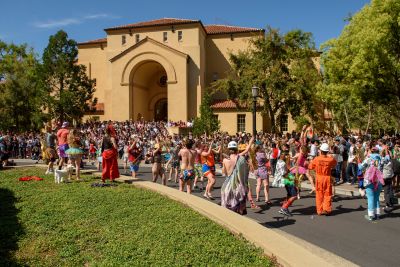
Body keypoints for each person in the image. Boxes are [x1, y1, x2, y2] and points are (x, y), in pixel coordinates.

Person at [221, 137, 254, 215]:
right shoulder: (239, 157)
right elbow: (246, 150)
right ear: (236, 149)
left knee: (228, 209)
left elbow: (224, 172)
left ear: (229, 149)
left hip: (227, 185)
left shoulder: (225, 160)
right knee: (238, 208)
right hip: (238, 186)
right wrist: (250, 142)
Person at [308, 143, 337, 215]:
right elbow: (335, 164)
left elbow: (310, 167)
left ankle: (320, 210)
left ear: (320, 151)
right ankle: (327, 209)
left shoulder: (317, 159)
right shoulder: (330, 159)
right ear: (327, 151)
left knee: (319, 194)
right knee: (327, 194)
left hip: (319, 178)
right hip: (327, 177)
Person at [361, 147, 385, 221]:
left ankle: (371, 215)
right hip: (378, 180)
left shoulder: (368, 158)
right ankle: (377, 214)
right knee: (376, 197)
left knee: (370, 197)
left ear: (371, 151)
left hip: (369, 180)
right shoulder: (381, 159)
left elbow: (361, 167)